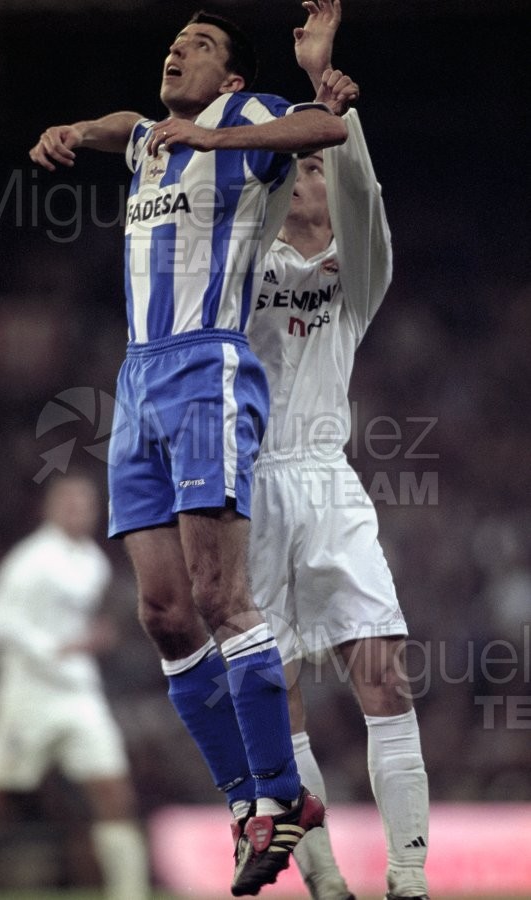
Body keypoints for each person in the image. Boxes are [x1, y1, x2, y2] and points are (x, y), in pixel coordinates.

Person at [30, 9, 355, 896]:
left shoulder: (246, 127)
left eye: (199, 45)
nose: (176, 51)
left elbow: (324, 126)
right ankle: (249, 797)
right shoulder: (147, 138)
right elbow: (117, 127)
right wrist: (71, 131)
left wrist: (207, 140)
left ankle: (280, 796)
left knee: (222, 596)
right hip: (136, 380)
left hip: (207, 364)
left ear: (233, 79)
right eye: (174, 42)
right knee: (164, 615)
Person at [246, 3, 431, 899]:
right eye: (298, 165)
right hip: (245, 492)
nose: (309, 177)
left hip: (326, 481)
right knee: (274, 702)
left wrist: (332, 105)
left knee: (383, 676)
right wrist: (271, 133)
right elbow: (254, 189)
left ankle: (407, 878)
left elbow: (365, 201)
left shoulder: (355, 283)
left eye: (315, 165)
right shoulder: (241, 268)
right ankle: (324, 884)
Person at [0, 474, 150, 900]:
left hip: (79, 694)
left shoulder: (92, 561)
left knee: (114, 793)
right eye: (70, 503)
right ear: (50, 509)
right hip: (28, 695)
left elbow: (78, 629)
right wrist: (54, 650)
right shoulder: (32, 560)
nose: (79, 511)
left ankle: (130, 893)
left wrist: (95, 640)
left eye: (86, 504)